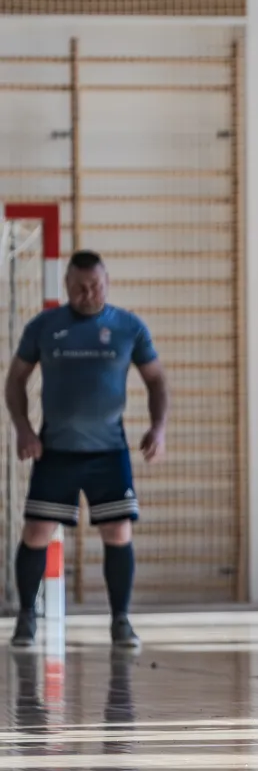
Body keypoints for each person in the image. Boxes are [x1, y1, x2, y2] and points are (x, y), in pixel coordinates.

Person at [4, 250, 166, 650]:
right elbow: (15, 379)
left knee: (118, 530)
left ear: (107, 283)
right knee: (36, 531)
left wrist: (158, 428)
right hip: (55, 450)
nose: (88, 294)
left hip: (109, 452)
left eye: (95, 286)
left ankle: (120, 620)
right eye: (80, 287)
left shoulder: (129, 327)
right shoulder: (45, 326)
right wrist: (23, 429)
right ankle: (26, 617)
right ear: (67, 286)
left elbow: (156, 380)